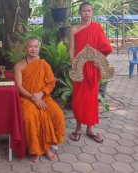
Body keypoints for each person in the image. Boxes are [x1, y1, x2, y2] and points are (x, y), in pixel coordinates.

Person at [14, 37, 65, 162]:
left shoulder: (43, 64)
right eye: (31, 46)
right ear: (26, 48)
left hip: (43, 96)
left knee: (57, 114)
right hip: (26, 98)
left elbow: (51, 83)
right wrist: (33, 97)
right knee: (30, 117)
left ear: (39, 48)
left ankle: (47, 146)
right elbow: (19, 87)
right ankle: (35, 149)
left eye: (36, 47)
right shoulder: (18, 66)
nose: (33, 49)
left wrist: (41, 93)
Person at [69, 2, 112, 143]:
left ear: (92, 12)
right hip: (79, 68)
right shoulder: (74, 29)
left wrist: (98, 60)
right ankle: (78, 127)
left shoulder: (97, 27)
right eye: (84, 11)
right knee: (78, 99)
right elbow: (72, 49)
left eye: (89, 10)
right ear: (79, 13)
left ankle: (90, 128)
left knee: (92, 99)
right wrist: (74, 65)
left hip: (93, 68)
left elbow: (104, 47)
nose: (87, 13)